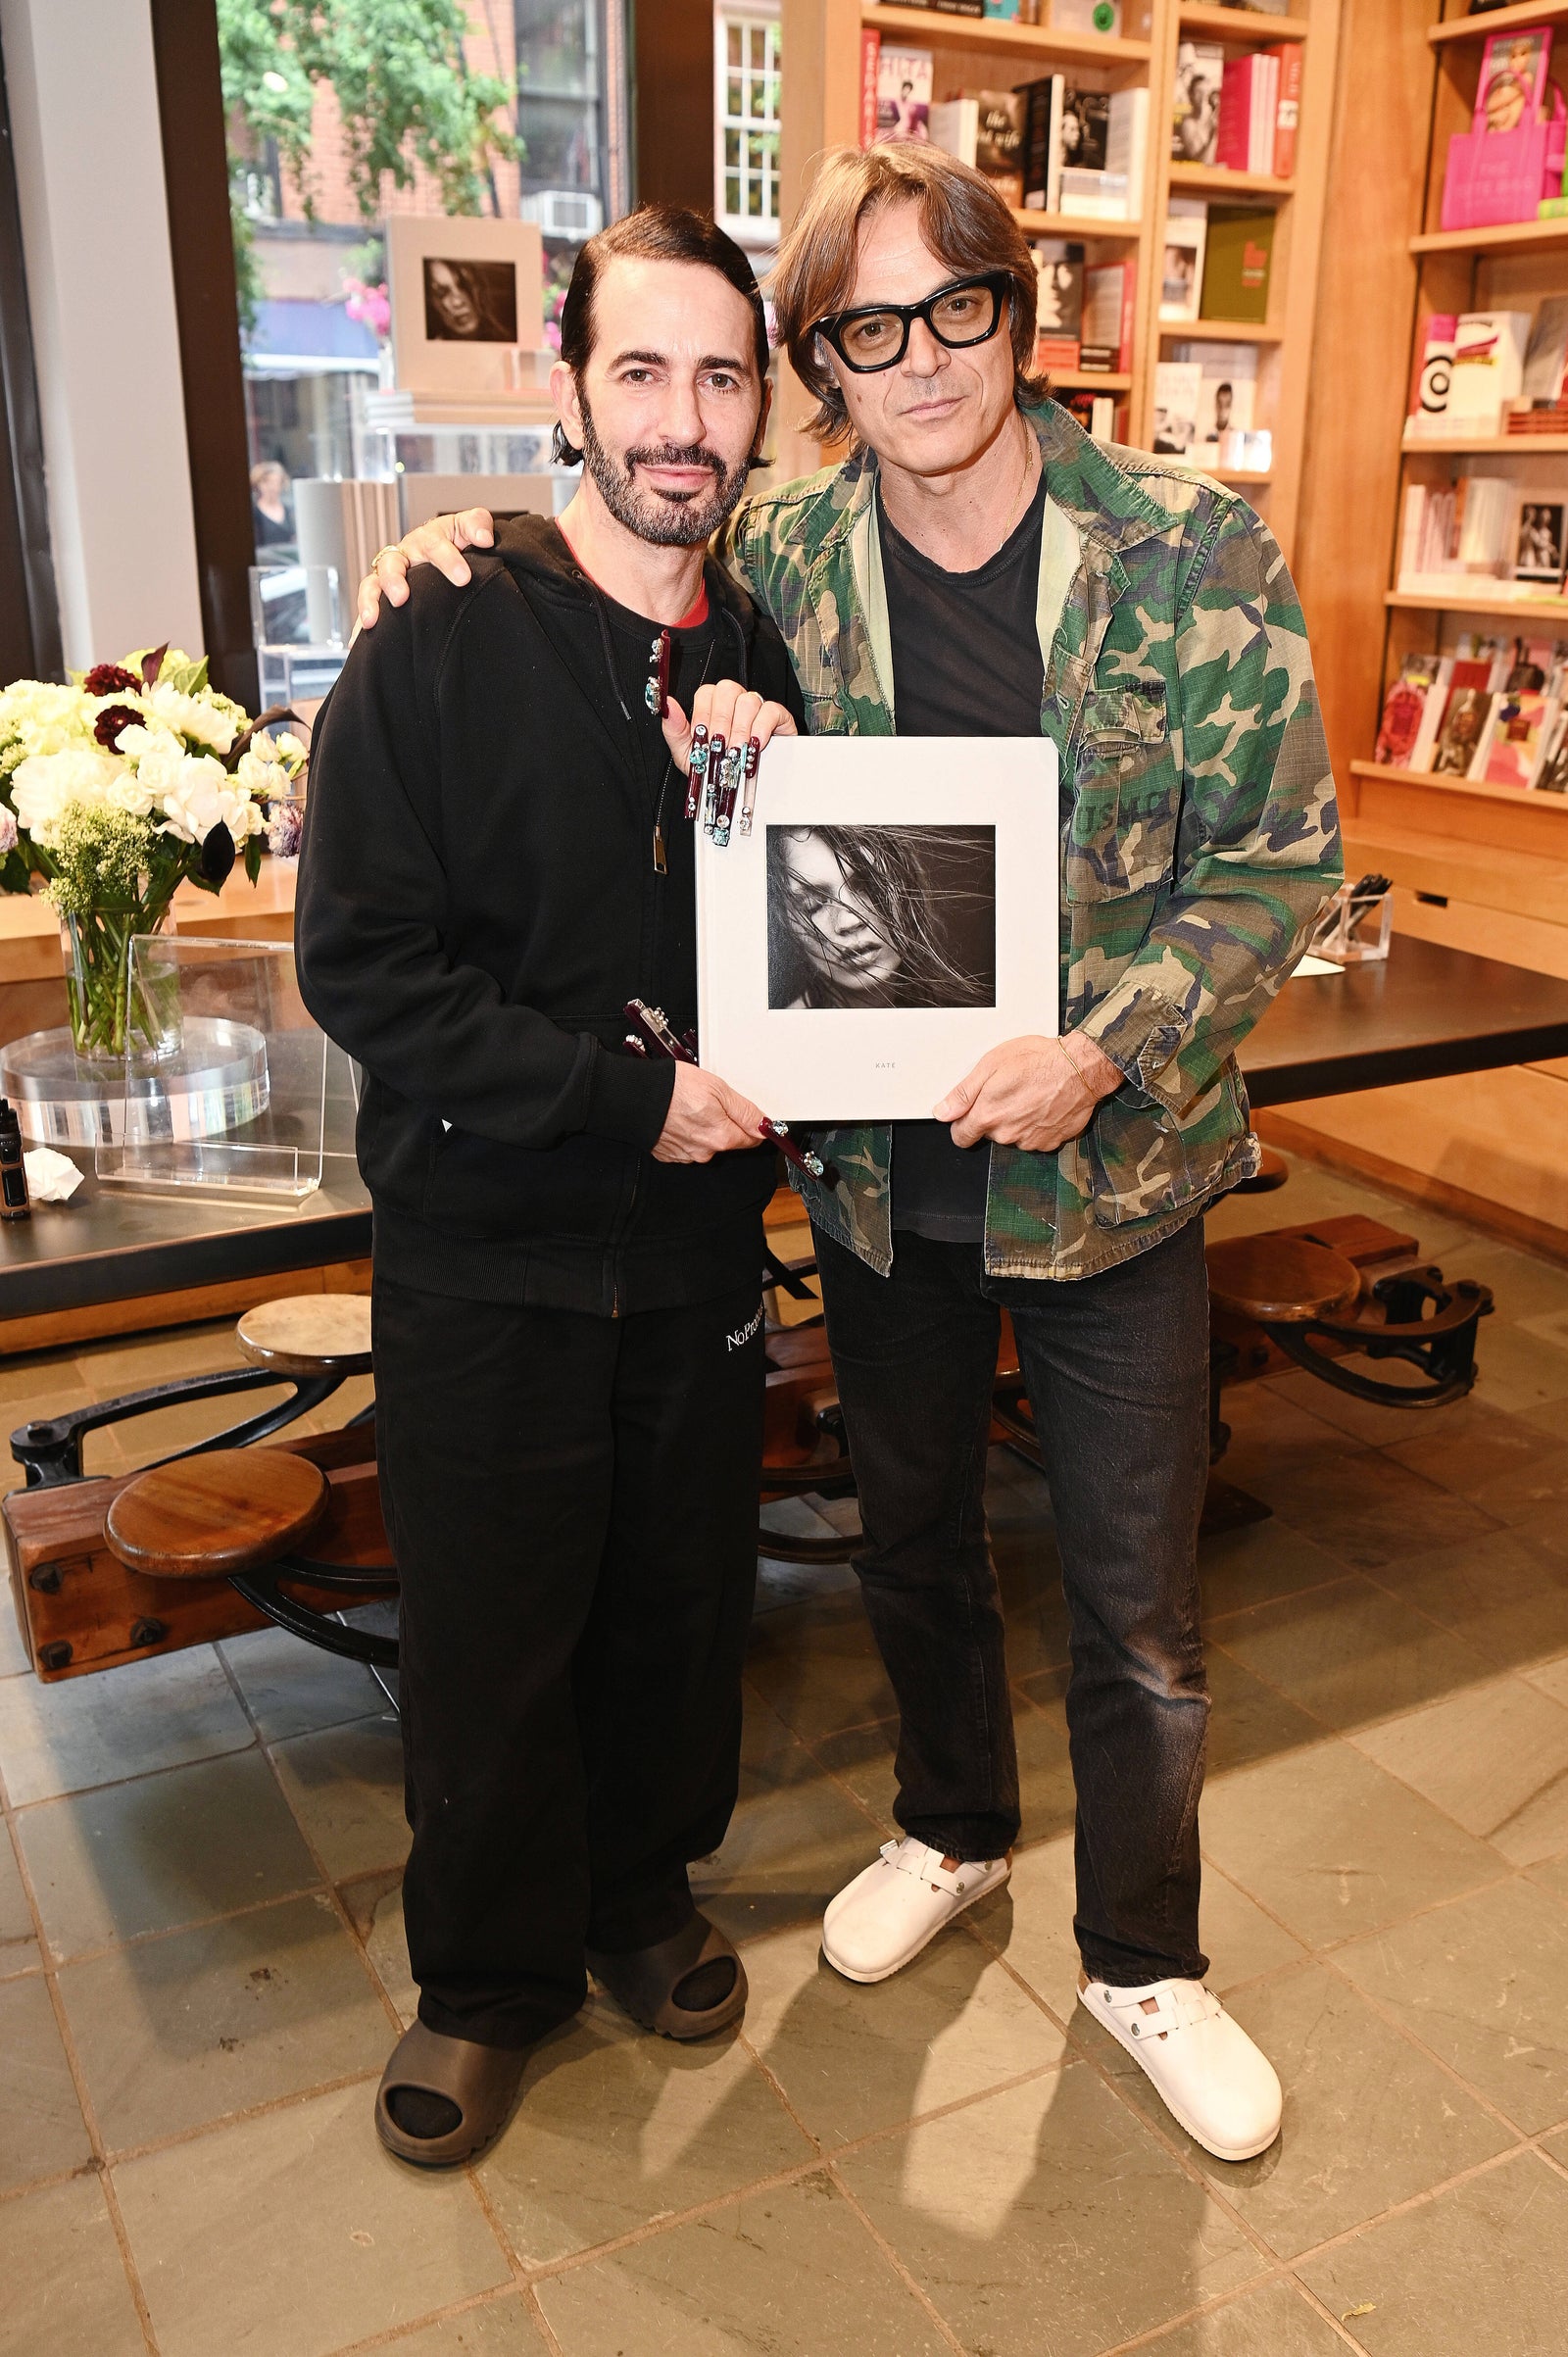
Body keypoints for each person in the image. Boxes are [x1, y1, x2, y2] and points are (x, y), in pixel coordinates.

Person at [355, 140, 1342, 2168]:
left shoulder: (1185, 546)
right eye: (864, 330)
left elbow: (1281, 860)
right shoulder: (789, 558)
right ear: (823, 365)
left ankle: (1145, 1958)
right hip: (882, 1183)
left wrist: (1103, 1047)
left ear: (1016, 313)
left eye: (953, 308)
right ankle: (952, 1827)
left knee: (1138, 1609)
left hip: (1115, 1173)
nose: (919, 361)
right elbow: (611, 542)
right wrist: (442, 541)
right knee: (908, 1542)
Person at [295, 203, 801, 2170]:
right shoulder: (434, 632)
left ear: (760, 406)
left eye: (721, 377)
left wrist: (771, 785)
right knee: (493, 1628)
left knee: (678, 1598)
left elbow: (801, 964)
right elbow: (367, 969)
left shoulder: (757, 655)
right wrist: (621, 1103)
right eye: (642, 370)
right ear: (567, 390)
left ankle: (638, 1893)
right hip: (484, 1252)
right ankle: (489, 1978)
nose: (683, 419)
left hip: (692, 1255)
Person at [767, 825, 996, 1009]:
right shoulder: (778, 1040)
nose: (849, 921)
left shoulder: (970, 1024)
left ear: (908, 883)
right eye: (813, 905)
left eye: (869, 886)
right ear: (784, 921)